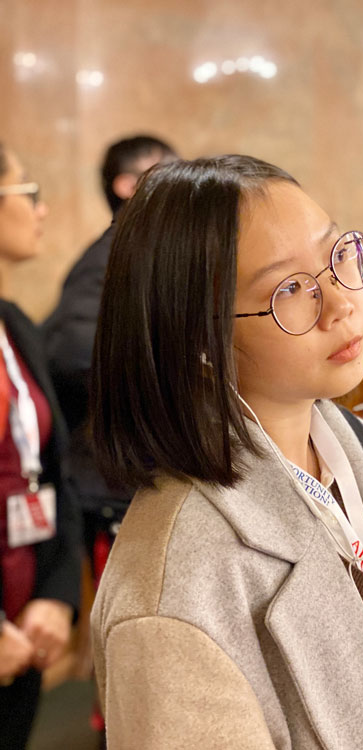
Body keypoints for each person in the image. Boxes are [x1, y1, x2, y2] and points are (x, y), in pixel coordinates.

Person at [89, 155, 363, 749]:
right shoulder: (173, 592)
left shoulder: (358, 447)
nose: (342, 302)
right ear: (201, 339)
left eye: (337, 255)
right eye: (290, 288)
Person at [44, 135, 177, 586]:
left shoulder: (145, 252)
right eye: (168, 172)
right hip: (111, 485)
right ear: (127, 186)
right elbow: (70, 351)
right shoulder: (112, 256)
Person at [0, 142, 81, 749]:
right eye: (27, 193)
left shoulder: (16, 323)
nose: (41, 210)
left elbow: (55, 471)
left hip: (27, 631)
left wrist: (56, 597)